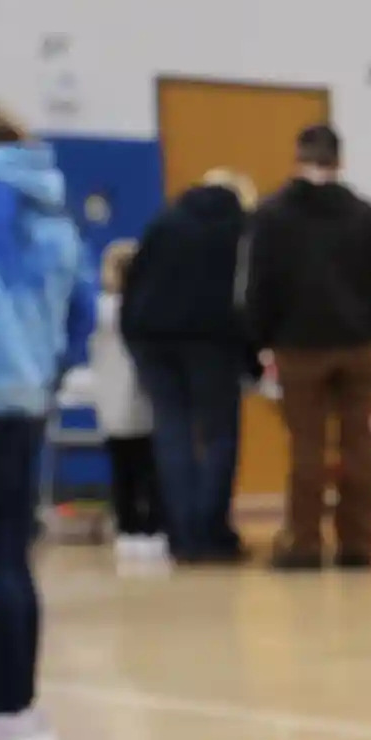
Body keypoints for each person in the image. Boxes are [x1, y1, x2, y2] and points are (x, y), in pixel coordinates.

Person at [241, 122, 371, 570]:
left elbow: (257, 289)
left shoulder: (272, 216)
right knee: (358, 447)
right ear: (340, 160)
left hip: (298, 348)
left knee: (307, 449)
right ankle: (357, 544)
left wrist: (263, 340)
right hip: (358, 346)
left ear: (298, 157)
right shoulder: (366, 216)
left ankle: (305, 545)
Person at [0, 101, 89, 740]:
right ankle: (16, 709)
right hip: (26, 399)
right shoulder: (49, 204)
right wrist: (47, 372)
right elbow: (81, 309)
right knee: (7, 555)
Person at [121, 168, 258, 565]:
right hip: (213, 341)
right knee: (218, 436)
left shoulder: (165, 220)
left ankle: (181, 536)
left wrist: (134, 338)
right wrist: (252, 357)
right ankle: (212, 534)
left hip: (152, 338)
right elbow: (247, 294)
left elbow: (134, 281)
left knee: (172, 433)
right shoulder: (240, 229)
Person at [89, 242, 164, 567]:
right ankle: (154, 525)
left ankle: (128, 526)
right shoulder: (150, 308)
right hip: (147, 401)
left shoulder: (100, 310)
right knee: (152, 468)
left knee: (123, 470)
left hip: (111, 400)